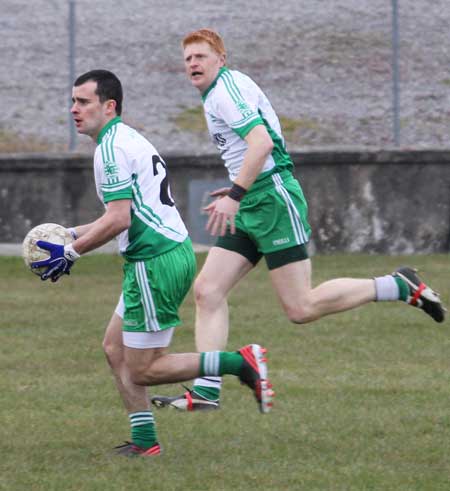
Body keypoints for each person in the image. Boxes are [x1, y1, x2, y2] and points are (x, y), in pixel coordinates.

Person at [151, 28, 446, 412]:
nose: (193, 63)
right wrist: (238, 189)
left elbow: (262, 143)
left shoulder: (225, 90)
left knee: (301, 308)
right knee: (207, 291)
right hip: (253, 198)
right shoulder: (218, 93)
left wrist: (238, 193)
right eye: (188, 58)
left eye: (201, 56)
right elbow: (251, 149)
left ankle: (398, 285)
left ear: (221, 59)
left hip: (272, 200)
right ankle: (207, 391)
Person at [31, 69, 274, 457]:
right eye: (72, 101)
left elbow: (119, 220)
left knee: (144, 367)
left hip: (154, 262)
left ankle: (238, 362)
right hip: (163, 254)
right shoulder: (124, 138)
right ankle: (145, 443)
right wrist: (69, 235)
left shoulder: (110, 149)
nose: (74, 109)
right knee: (114, 348)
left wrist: (71, 253)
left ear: (109, 106)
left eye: (83, 102)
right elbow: (124, 213)